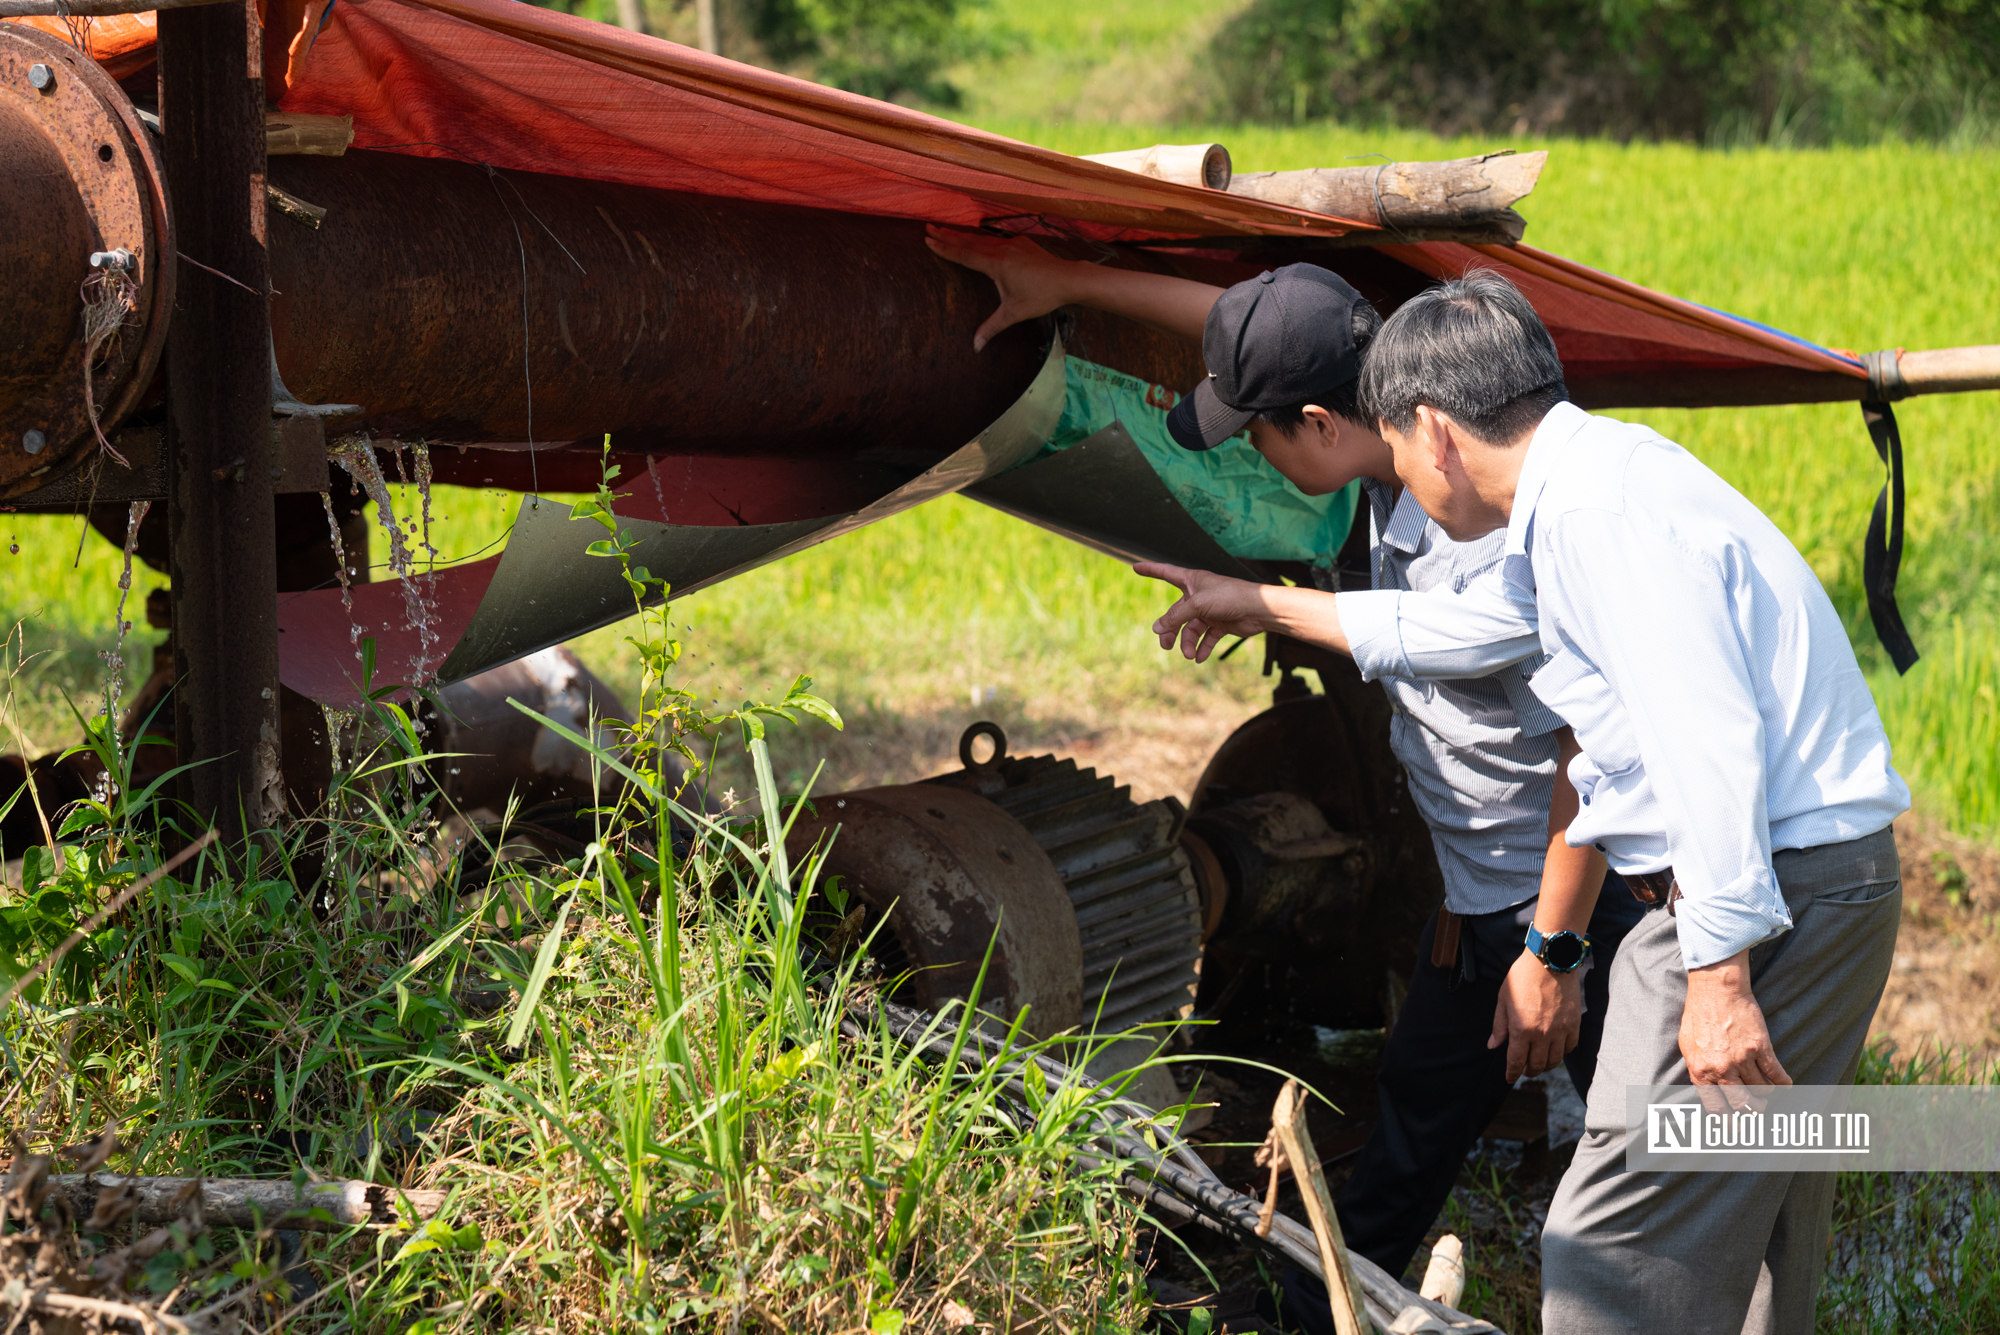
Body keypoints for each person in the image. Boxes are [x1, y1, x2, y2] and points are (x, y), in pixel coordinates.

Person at [1148, 269, 1910, 1334]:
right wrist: (1263, 604)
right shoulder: (1582, 488)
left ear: (1434, 431)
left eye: (1398, 448)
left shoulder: (1594, 517)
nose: (1403, 480)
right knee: (1749, 1192)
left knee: (1610, 1250)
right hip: (1779, 883)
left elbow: (1701, 736)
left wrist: (1719, 971)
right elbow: (1464, 632)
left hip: (1763, 890)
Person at [925, 228, 1643, 1305]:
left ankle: (1824, 1194)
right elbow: (1250, 329)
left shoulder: (1479, 526)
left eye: (1254, 432)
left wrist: (1553, 954)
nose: (1247, 454)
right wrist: (1064, 282)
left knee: (1668, 1153)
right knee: (1408, 1126)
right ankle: (1297, 1313)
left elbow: (1585, 757)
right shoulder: (1392, 422)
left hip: (1582, 897)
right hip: (1473, 903)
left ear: (1317, 421)